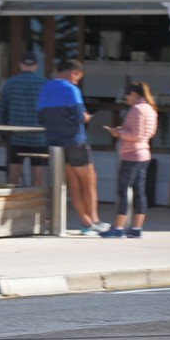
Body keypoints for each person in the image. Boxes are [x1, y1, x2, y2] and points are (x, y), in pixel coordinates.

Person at [39, 59, 103, 235]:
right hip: (74, 140)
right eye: (77, 78)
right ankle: (94, 220)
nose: (76, 81)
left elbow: (40, 117)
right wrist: (86, 117)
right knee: (89, 179)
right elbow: (79, 116)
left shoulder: (45, 88)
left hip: (54, 141)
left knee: (73, 182)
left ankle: (85, 221)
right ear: (73, 72)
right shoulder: (71, 89)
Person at [106, 81, 157, 239]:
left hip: (131, 154)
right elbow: (149, 133)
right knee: (140, 192)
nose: (125, 98)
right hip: (144, 153)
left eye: (127, 95)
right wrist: (123, 131)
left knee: (123, 191)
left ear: (134, 94)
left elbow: (135, 135)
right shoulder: (150, 109)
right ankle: (136, 227)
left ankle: (118, 227)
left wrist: (118, 132)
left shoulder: (136, 109)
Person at [0, 52, 49, 186]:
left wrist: (3, 133)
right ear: (36, 66)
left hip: (15, 135)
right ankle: (37, 199)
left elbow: (1, 111)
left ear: (20, 65)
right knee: (38, 175)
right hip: (38, 136)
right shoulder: (44, 84)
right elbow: (49, 112)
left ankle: (13, 198)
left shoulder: (9, 83)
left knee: (13, 174)